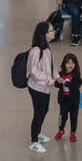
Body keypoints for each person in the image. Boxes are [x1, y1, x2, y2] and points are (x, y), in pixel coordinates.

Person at [26, 20, 58, 153]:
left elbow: (50, 68)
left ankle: (38, 133)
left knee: (44, 110)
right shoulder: (35, 51)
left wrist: (56, 77)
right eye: (51, 30)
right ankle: (34, 140)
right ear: (44, 34)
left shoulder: (48, 49)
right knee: (39, 112)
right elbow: (33, 72)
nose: (54, 32)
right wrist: (49, 79)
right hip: (37, 88)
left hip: (45, 87)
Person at [54, 52, 82, 143]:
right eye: (68, 63)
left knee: (74, 117)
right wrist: (58, 81)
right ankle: (61, 130)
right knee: (63, 116)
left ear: (75, 64)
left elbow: (76, 85)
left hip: (74, 101)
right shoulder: (61, 73)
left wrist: (66, 83)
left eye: (72, 63)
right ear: (64, 64)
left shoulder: (76, 75)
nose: (70, 65)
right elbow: (56, 85)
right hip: (63, 100)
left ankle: (73, 132)